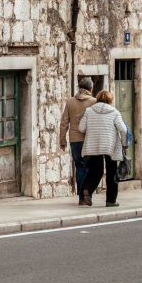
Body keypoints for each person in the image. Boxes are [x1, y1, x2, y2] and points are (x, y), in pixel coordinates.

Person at [78, 90, 128, 207]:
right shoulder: (114, 112)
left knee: (96, 171)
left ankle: (87, 189)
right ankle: (110, 200)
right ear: (110, 100)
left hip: (94, 145)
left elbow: (81, 128)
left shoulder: (89, 111)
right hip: (110, 146)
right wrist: (124, 144)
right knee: (112, 173)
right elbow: (123, 130)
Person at [59, 76, 97, 204]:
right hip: (88, 139)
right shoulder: (93, 102)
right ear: (91, 88)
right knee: (89, 167)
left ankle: (81, 197)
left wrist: (62, 141)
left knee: (79, 166)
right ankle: (88, 194)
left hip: (74, 139)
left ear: (79, 88)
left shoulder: (70, 102)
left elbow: (64, 122)